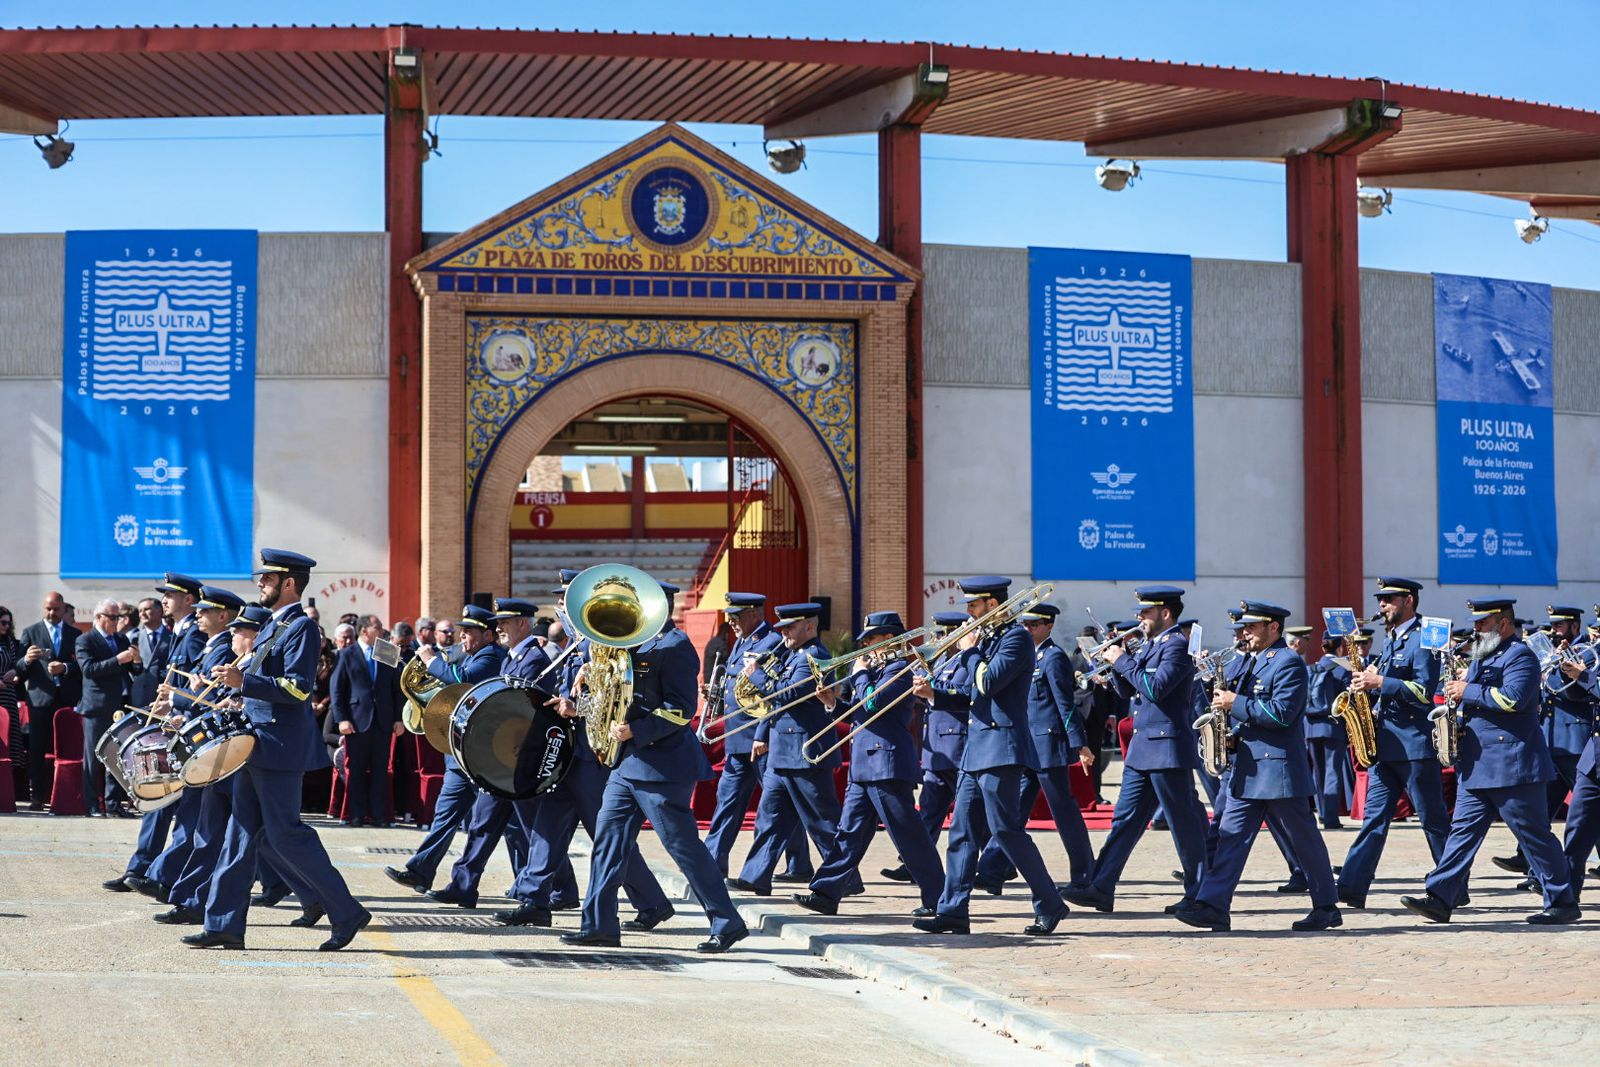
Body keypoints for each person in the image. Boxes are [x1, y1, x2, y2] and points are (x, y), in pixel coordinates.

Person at [184, 549, 370, 951]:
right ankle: (223, 924)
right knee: (239, 837)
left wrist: (244, 682)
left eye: (267, 580)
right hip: (256, 746)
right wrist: (237, 687)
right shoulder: (271, 626)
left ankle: (346, 911)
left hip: (279, 748)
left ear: (289, 583)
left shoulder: (301, 628)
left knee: (287, 836)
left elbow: (299, 688)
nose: (260, 585)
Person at [562, 580, 749, 952]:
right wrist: (583, 700)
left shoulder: (675, 646)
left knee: (682, 847)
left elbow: (681, 709)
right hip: (626, 764)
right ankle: (599, 924)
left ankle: (727, 922)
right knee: (608, 843)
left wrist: (636, 729)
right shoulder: (631, 646)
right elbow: (615, 702)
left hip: (661, 765)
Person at [1400, 598, 1581, 926]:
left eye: (1482, 624)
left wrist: (1467, 689)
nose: (1476, 630)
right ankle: (1440, 897)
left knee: (1534, 835)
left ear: (1503, 624)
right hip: (1479, 761)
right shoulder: (1484, 658)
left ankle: (1563, 899)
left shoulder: (1520, 656)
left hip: (1513, 764)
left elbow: (1512, 699)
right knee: (1462, 832)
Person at [495, 596, 669, 929]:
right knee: (547, 826)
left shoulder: (608, 646)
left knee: (608, 838)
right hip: (571, 754)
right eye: (562, 602)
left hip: (594, 759)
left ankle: (653, 902)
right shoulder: (579, 645)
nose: (562, 608)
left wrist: (577, 708)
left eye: (567, 601)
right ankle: (534, 900)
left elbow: (617, 704)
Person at [914, 576, 1069, 937]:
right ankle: (953, 910)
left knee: (1006, 831)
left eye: (973, 605)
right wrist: (933, 695)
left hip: (1002, 748)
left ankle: (1050, 901)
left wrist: (968, 650)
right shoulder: (990, 640)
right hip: (977, 749)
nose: (968, 612)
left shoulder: (1014, 638)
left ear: (992, 604)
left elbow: (988, 682)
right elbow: (972, 695)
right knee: (962, 832)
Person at [1175, 601, 1342, 932]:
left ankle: (1326, 906)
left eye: (1251, 627)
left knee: (1304, 841)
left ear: (1274, 628)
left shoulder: (1288, 663)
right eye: (1244, 628)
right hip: (1248, 767)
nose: (1244, 633)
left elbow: (1281, 714)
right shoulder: (1249, 662)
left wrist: (1235, 703)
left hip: (1278, 771)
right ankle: (1213, 905)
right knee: (1229, 836)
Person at [1064, 586, 1209, 915]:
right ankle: (1101, 887)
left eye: (1145, 613)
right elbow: (1130, 687)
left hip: (1166, 746)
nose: (1139, 618)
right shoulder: (1151, 645)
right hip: (1144, 748)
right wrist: (1113, 666)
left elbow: (1156, 688)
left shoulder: (1177, 646)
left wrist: (1123, 659)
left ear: (1165, 613)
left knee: (1182, 824)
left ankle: (1201, 894)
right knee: (1125, 820)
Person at [796, 611, 945, 915]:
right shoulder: (878, 671)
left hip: (887, 763)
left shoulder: (900, 669)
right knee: (849, 832)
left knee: (908, 836)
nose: (866, 648)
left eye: (871, 641)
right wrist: (833, 704)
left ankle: (940, 898)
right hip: (865, 764)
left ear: (889, 639)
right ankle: (826, 891)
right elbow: (861, 711)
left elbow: (874, 702)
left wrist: (861, 673)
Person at [728, 603, 859, 899]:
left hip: (805, 751)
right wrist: (762, 735)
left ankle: (846, 877)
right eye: (782, 627)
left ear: (809, 627)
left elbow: (786, 694)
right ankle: (756, 876)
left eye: (790, 627)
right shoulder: (789, 656)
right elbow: (773, 706)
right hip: (782, 751)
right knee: (770, 818)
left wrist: (756, 676)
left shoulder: (814, 657)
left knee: (822, 821)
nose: (783, 633)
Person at [1336, 578, 1451, 911]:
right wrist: (1367, 688)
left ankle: (1451, 886)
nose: (1382, 606)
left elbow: (1423, 692)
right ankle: (1351, 888)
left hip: (1415, 747)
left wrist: (1380, 681)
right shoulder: (1392, 640)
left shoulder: (1425, 636)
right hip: (1387, 746)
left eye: (1389, 600)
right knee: (1374, 819)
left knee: (1433, 820)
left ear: (1409, 600)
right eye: (1381, 600)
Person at [383, 606, 508, 899]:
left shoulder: (490, 656)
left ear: (487, 635)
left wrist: (431, 660)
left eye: (468, 631)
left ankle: (554, 884)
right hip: (459, 752)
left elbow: (461, 679)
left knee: (507, 825)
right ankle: (421, 870)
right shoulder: (470, 653)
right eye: (461, 630)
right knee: (445, 814)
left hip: (482, 753)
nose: (462, 636)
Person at [972, 602, 1095, 893]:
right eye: (1024, 625)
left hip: (1048, 745)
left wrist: (1079, 744)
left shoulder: (1052, 658)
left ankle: (1084, 874)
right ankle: (993, 869)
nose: (1027, 629)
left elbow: (1065, 705)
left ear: (1048, 626)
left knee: (1064, 812)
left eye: (1034, 625)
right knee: (1011, 813)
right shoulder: (1022, 655)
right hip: (1025, 746)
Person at [108, 574, 208, 894]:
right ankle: (141, 869)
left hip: (186, 727)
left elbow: (200, 685)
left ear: (189, 600)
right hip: (172, 724)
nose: (164, 599)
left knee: (182, 804)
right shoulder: (179, 631)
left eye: (171, 594)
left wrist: (175, 704)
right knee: (159, 795)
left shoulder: (194, 634)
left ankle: (155, 873)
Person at [702, 592, 810, 881]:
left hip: (761, 741)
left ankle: (799, 863)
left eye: (736, 617)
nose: (732, 623)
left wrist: (762, 735)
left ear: (754, 614)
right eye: (730, 617)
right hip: (738, 739)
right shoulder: (742, 641)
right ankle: (712, 863)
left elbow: (773, 695)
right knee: (727, 801)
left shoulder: (772, 642)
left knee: (780, 806)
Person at [1494, 605, 1596, 878]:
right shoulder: (1553, 654)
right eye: (1553, 626)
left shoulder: (1585, 652)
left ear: (1575, 626)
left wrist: (1568, 671)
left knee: (1586, 814)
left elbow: (1575, 695)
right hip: (1551, 740)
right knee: (1539, 812)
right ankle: (1532, 868)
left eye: (1560, 626)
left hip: (1576, 740)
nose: (1554, 631)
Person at [885, 611, 972, 881]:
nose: (938, 639)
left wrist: (931, 687)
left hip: (958, 744)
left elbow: (964, 693)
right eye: (937, 633)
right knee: (929, 812)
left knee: (972, 816)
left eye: (944, 633)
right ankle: (914, 865)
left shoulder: (968, 660)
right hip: (935, 747)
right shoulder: (935, 661)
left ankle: (997, 862)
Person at [329, 613, 404, 827]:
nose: (381, 631)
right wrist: (342, 719)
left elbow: (396, 689)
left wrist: (398, 719)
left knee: (381, 770)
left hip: (383, 721)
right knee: (357, 770)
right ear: (364, 631)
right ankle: (356, 814)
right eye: (377, 627)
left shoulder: (387, 651)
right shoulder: (346, 654)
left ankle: (379, 815)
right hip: (356, 721)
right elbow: (337, 690)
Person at [74, 598, 144, 815]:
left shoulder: (121, 639)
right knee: (93, 758)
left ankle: (114, 804)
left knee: (117, 757)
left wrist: (137, 661)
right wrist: (118, 660)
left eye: (119, 617)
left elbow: (134, 671)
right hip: (97, 707)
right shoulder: (85, 640)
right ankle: (92, 804)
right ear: (99, 617)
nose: (117, 621)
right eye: (113, 617)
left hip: (120, 706)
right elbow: (89, 670)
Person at [19, 591, 82, 809]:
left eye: (56, 609)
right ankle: (37, 796)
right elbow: (19, 670)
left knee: (68, 749)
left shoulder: (75, 634)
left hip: (66, 700)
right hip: (39, 701)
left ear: (64, 608)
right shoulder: (31, 632)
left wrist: (65, 668)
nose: (52, 613)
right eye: (48, 609)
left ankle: (67, 797)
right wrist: (26, 660)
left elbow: (84, 666)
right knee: (37, 750)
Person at [1306, 633, 1354, 830]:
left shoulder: (1311, 668)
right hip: (1333, 726)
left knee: (1318, 773)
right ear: (1340, 647)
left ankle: (1323, 814)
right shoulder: (1344, 668)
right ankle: (1332, 818)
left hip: (1311, 726)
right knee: (1333, 771)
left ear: (1323, 647)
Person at [127, 598, 175, 709]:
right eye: (140, 611)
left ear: (160, 612)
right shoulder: (134, 638)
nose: (142, 613)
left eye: (147, 609)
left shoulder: (172, 637)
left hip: (163, 695)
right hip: (140, 696)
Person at [0, 607, 24, 802]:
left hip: (8, 695)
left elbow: (16, 665)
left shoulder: (9, 643)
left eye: (8, 623)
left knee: (12, 742)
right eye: (2, 623)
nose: (6, 627)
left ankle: (9, 791)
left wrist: (15, 672)